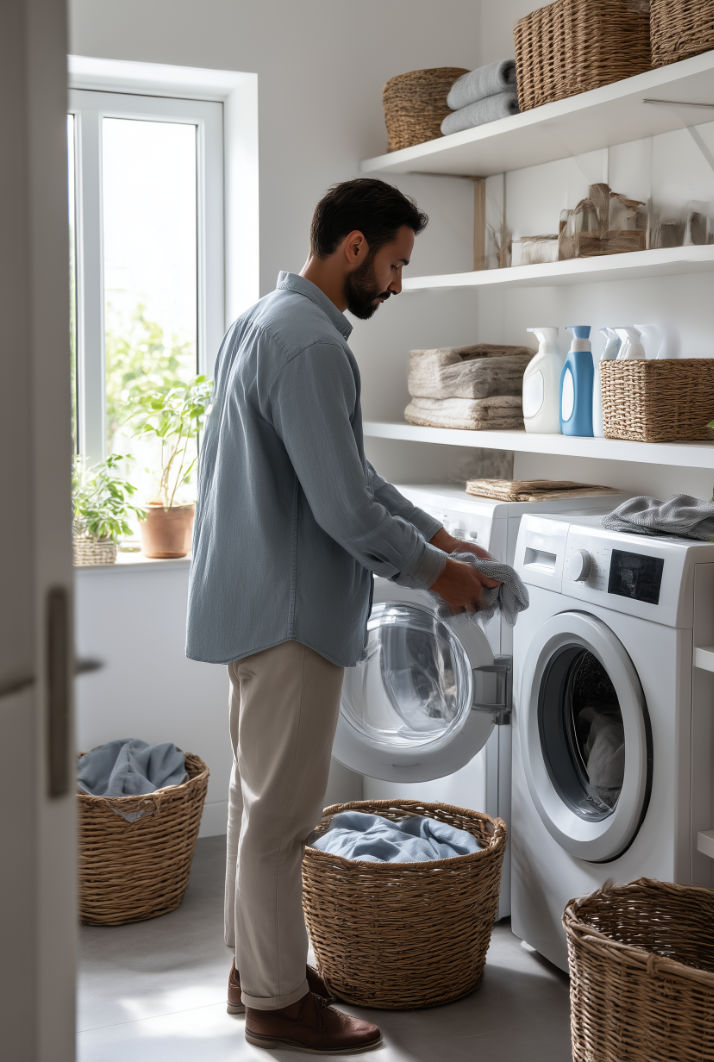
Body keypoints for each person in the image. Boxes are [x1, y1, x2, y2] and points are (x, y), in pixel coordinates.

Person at [186, 177, 497, 1054]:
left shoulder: (263, 323)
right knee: (283, 817)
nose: (397, 284)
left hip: (250, 601)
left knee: (256, 807)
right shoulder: (315, 349)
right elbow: (342, 510)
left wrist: (437, 532)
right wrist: (440, 575)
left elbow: (351, 476)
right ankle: (279, 1005)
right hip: (292, 612)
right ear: (353, 247)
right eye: (396, 263)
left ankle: (257, 969)